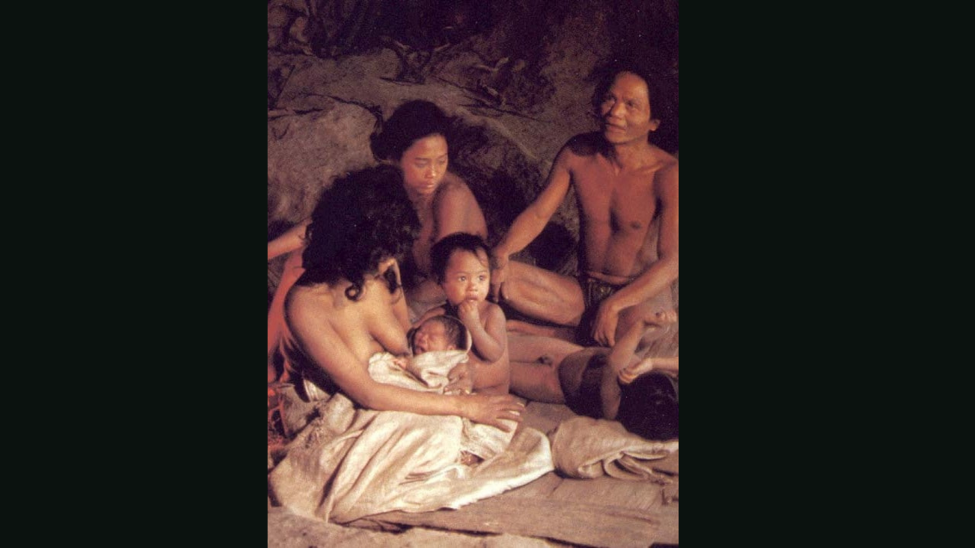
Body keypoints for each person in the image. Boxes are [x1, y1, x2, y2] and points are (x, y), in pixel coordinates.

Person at [276, 165, 522, 436]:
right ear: (352, 246)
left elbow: (410, 340)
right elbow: (367, 393)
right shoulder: (305, 305)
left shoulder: (385, 269)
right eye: (380, 255)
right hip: (353, 409)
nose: (387, 264)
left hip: (400, 394)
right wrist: (464, 406)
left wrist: (460, 369)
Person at [268, 100, 488, 383]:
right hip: (389, 285)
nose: (433, 173)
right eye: (421, 163)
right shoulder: (389, 183)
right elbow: (328, 223)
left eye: (441, 161)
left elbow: (448, 279)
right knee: (297, 263)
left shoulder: (450, 197)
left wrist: (388, 304)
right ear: (395, 158)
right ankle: (269, 358)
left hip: (435, 305)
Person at [489, 63, 678, 357]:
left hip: (635, 299)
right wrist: (501, 253)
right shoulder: (578, 153)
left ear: (654, 122)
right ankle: (572, 335)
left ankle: (553, 335)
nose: (615, 112)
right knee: (491, 275)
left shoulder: (668, 174)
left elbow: (672, 261)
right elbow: (539, 214)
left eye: (631, 105)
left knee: (646, 329)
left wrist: (616, 304)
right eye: (610, 99)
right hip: (580, 293)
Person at [508, 308, 679, 441]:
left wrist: (642, 326)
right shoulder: (640, 369)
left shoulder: (613, 408)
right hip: (567, 354)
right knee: (504, 344)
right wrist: (653, 363)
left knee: (492, 369)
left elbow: (613, 363)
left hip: (552, 382)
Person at [416, 232, 510, 395]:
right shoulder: (440, 314)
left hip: (489, 390)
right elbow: (414, 331)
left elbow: (493, 353)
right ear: (441, 281)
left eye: (481, 278)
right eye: (462, 279)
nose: (473, 286)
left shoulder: (492, 312)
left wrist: (473, 325)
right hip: (455, 386)